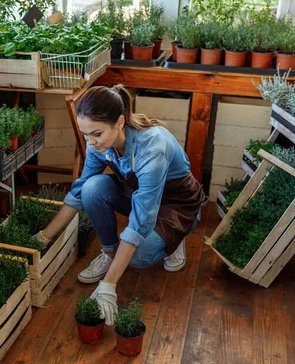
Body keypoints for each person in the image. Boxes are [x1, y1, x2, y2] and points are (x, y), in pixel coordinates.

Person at [33, 84, 203, 326]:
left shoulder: (151, 148)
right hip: (137, 194)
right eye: (85, 134)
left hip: (175, 205)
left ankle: (175, 237)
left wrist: (108, 286)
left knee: (140, 256)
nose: (90, 142)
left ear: (120, 123)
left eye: (96, 134)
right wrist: (43, 237)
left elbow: (140, 221)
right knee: (93, 187)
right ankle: (110, 254)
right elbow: (80, 191)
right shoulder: (98, 144)